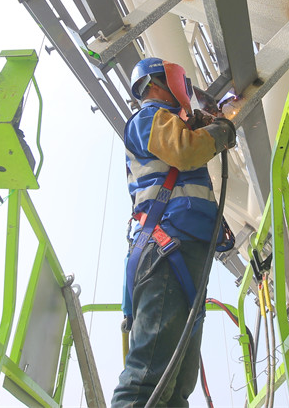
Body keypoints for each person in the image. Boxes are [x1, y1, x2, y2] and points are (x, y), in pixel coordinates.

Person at [111, 57, 235, 407]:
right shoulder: (147, 117)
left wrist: (199, 126)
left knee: (177, 386)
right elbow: (186, 150)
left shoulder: (164, 123)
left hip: (182, 252)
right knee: (150, 379)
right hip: (168, 249)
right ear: (158, 82)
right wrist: (221, 131)